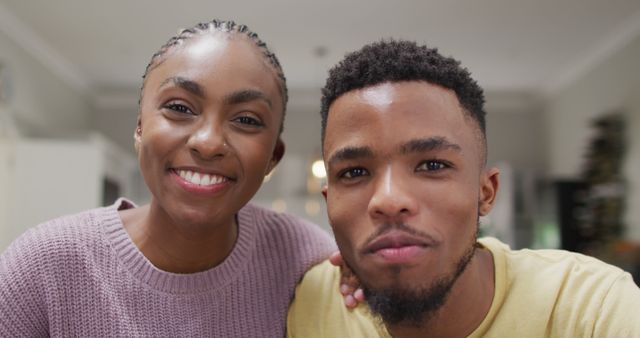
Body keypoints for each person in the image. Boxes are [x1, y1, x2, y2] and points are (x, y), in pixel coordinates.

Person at [0, 19, 336, 337]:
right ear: (140, 128)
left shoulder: (310, 262)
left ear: (272, 158)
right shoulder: (40, 268)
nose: (208, 142)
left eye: (246, 120)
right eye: (180, 107)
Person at [287, 40, 640, 337]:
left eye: (432, 165)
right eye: (355, 172)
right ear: (329, 202)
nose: (389, 200)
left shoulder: (587, 306)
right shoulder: (309, 305)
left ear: (485, 192)